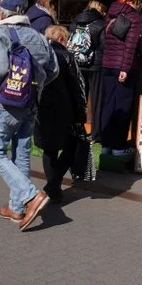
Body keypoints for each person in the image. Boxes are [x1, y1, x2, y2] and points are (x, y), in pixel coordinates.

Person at [0, 0, 59, 231]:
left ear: (3, 14)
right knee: (21, 153)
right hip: (32, 103)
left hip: (10, 103)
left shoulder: (0, 33)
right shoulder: (37, 35)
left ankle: (31, 196)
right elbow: (53, 69)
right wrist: (38, 88)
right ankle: (16, 208)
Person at [36, 25, 88, 203]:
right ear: (60, 39)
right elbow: (77, 87)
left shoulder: (39, 54)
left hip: (41, 107)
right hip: (62, 108)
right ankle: (52, 185)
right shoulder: (66, 57)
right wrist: (81, 114)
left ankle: (54, 188)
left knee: (49, 150)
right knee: (71, 145)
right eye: (66, 40)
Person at [97, 0, 142, 155]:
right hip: (122, 67)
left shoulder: (110, 14)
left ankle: (106, 145)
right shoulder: (133, 16)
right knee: (123, 106)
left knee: (108, 104)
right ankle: (118, 146)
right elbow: (130, 45)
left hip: (107, 65)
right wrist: (125, 68)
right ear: (134, 3)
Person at [69, 0, 107, 155]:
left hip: (78, 64)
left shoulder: (75, 21)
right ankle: (97, 134)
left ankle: (77, 129)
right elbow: (104, 46)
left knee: (79, 99)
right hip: (95, 66)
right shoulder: (100, 24)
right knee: (97, 101)